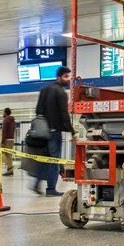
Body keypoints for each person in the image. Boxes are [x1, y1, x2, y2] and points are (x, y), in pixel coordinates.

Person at [33, 66, 74, 196]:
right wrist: (72, 131)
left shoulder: (44, 89)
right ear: (59, 76)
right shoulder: (61, 92)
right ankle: (51, 189)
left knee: (43, 158)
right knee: (54, 161)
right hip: (54, 132)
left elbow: (38, 110)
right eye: (66, 77)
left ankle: (37, 182)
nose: (68, 80)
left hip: (42, 131)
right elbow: (64, 114)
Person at [1, 107, 16, 176]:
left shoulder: (5, 120)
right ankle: (9, 169)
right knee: (8, 155)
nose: (2, 113)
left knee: (3, 155)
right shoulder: (13, 120)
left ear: (5, 112)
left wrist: (2, 142)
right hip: (12, 139)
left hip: (6, 140)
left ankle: (10, 169)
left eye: (3, 112)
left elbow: (4, 132)